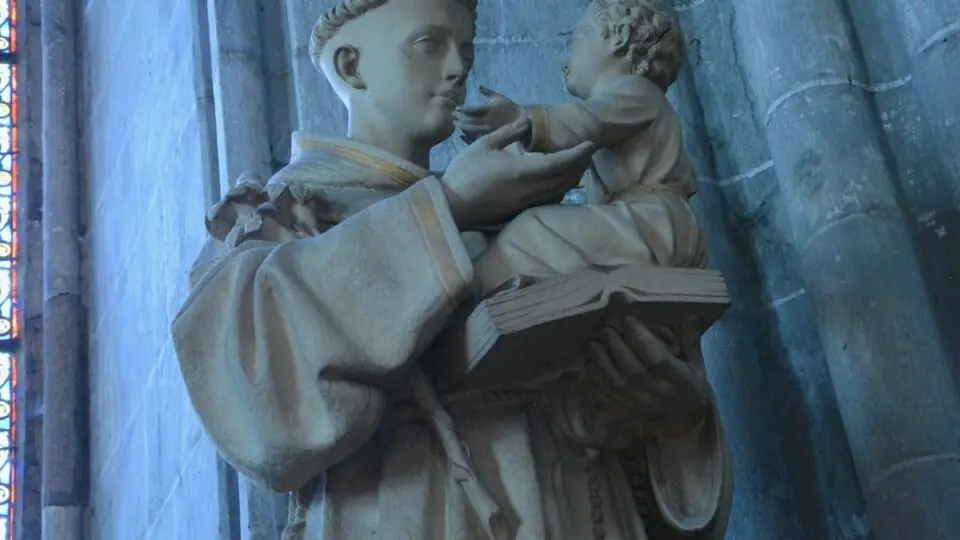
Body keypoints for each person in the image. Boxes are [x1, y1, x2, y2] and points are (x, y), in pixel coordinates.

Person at [171, 0, 731, 538]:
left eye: (465, 49)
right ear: (351, 65)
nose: (459, 67)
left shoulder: (528, 220)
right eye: (428, 44)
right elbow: (259, 405)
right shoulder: (275, 218)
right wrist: (448, 208)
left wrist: (677, 424)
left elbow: (609, 426)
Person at [455, 0, 707, 295]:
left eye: (581, 36)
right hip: (638, 223)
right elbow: (562, 156)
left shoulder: (638, 92)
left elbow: (583, 123)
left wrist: (519, 119)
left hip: (655, 226)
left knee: (532, 230)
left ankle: (466, 296)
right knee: (519, 231)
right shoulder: (610, 118)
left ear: (619, 38)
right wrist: (501, 147)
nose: (566, 60)